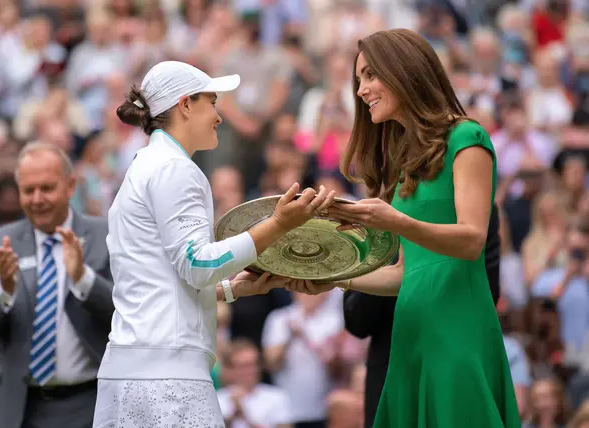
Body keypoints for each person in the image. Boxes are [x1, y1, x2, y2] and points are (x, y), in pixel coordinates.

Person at [287, 30, 520, 427]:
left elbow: (472, 240)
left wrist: (395, 221)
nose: (361, 90)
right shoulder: (407, 161)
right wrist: (332, 277)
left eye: (370, 76)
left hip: (456, 331)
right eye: (358, 80)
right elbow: (403, 275)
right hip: (410, 335)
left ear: (404, 71)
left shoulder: (467, 137)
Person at [92, 61, 336, 427]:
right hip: (167, 378)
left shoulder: (145, 166)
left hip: (135, 369)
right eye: (213, 102)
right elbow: (198, 264)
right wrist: (279, 224)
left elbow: (162, 277)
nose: (219, 116)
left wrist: (230, 289)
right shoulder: (175, 170)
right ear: (185, 105)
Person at [0, 142, 115, 428]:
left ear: (70, 186)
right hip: (19, 408)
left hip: (92, 403)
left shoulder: (105, 235)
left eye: (47, 188)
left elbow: (127, 314)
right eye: (28, 190)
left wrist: (82, 279)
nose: (37, 199)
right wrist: (4, 289)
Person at [343, 203, 501, 426]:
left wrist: (405, 227)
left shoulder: (474, 210)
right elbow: (355, 320)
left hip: (452, 370)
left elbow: (485, 295)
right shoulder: (366, 212)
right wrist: (386, 248)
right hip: (389, 373)